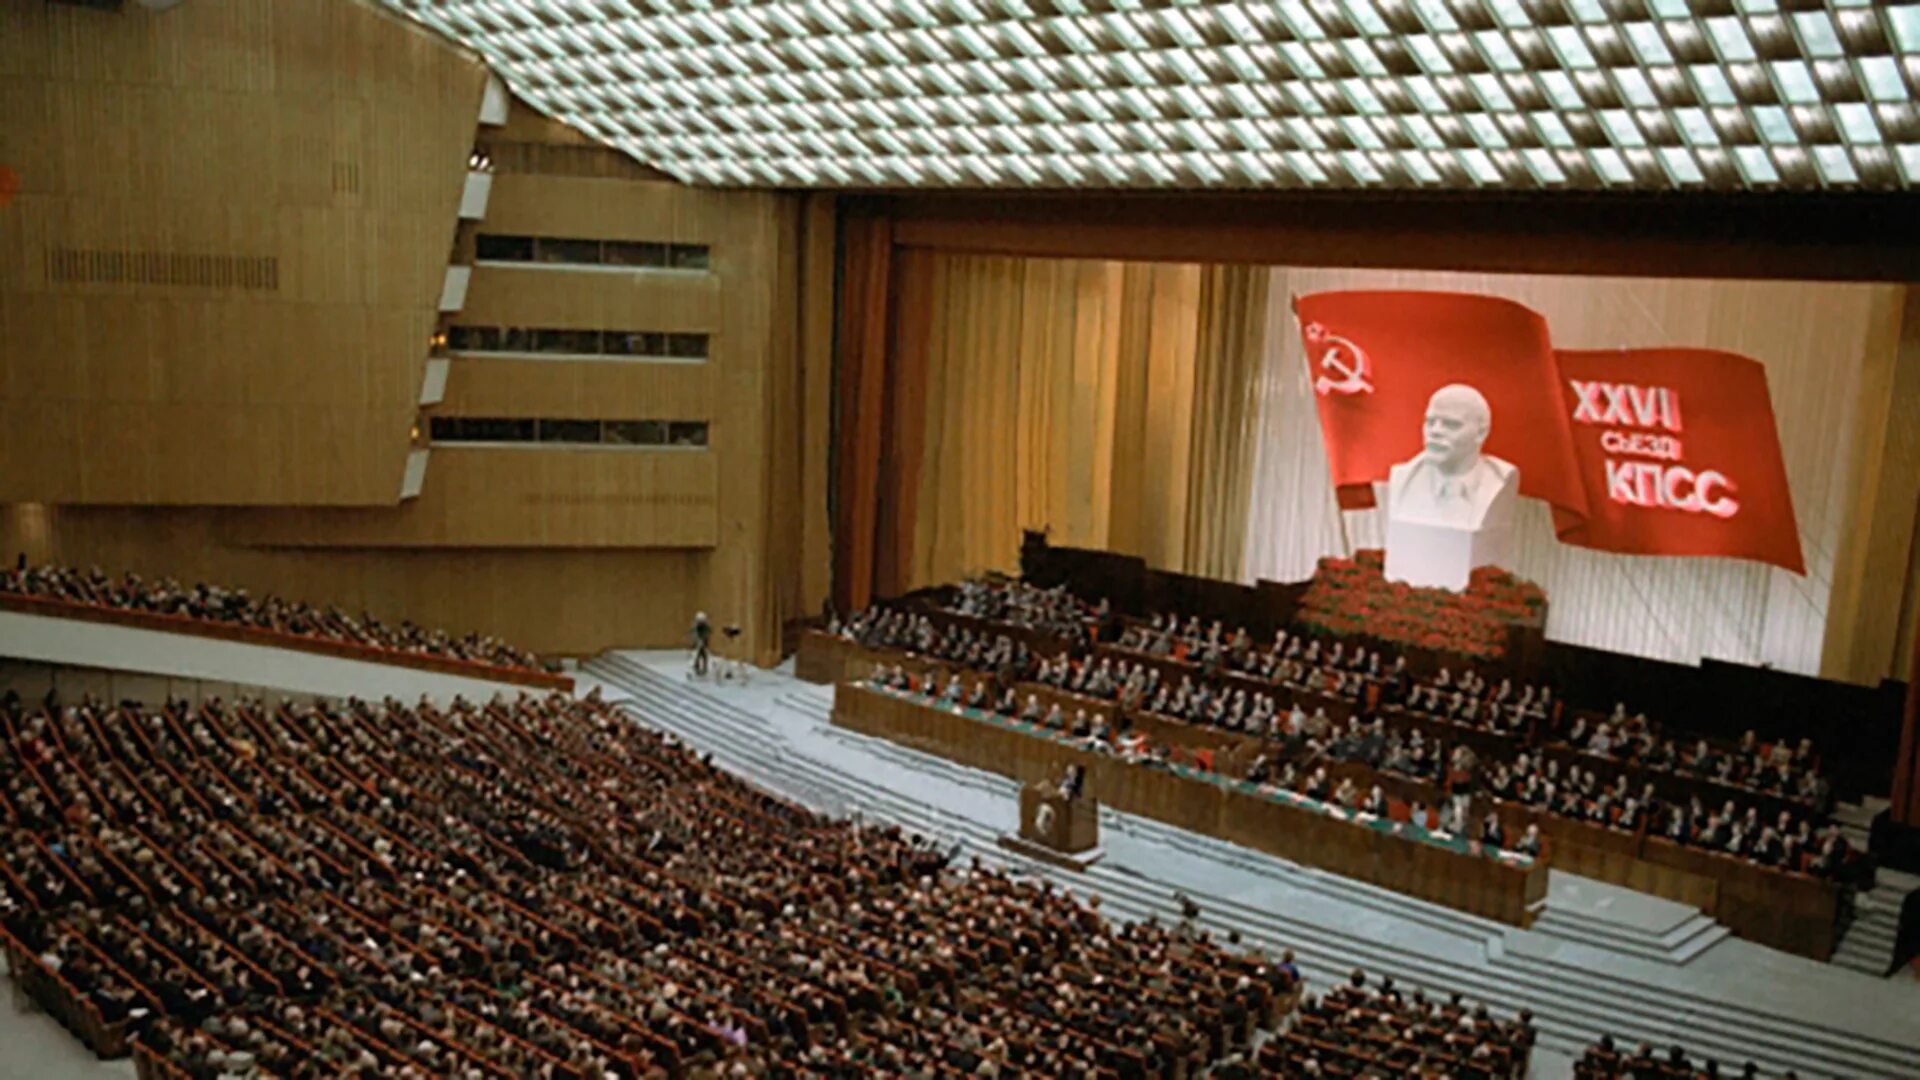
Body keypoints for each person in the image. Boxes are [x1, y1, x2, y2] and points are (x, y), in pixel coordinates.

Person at [690, 611, 712, 675]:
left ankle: (705, 668)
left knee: (704, 655)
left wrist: (704, 640)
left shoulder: (706, 625)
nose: (700, 623)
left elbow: (708, 632)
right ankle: (696, 666)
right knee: (697, 654)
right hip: (697, 641)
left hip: (704, 641)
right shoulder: (694, 625)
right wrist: (697, 641)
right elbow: (693, 633)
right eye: (699, 622)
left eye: (702, 622)